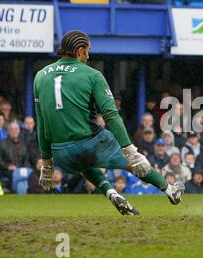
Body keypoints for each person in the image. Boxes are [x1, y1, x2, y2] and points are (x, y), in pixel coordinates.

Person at [33, 30, 184, 215]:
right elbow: (111, 115)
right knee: (132, 163)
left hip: (61, 154)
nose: (89, 56)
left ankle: (112, 193)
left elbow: (41, 123)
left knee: (84, 164)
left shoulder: (40, 76)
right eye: (88, 51)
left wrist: (47, 163)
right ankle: (170, 190)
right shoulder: (92, 75)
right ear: (80, 51)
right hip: (91, 144)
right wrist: (130, 151)